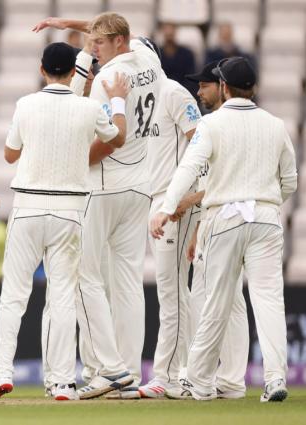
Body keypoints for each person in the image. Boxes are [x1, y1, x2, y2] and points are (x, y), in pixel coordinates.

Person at [0, 42, 128, 401]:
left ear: (42, 70)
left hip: (29, 207)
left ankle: (1, 371)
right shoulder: (89, 107)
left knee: (14, 295)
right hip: (69, 212)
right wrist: (118, 100)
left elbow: (10, 154)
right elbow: (118, 139)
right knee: (61, 296)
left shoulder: (26, 104)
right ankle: (62, 382)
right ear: (79, 75)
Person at [150, 57, 297, 403]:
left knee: (215, 301)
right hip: (264, 217)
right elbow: (289, 180)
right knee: (269, 301)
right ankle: (275, 379)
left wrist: (165, 208)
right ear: (254, 88)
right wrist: (269, 202)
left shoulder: (212, 124)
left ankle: (199, 381)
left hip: (225, 218)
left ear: (226, 88)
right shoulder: (275, 125)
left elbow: (189, 167)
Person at [34, 13, 164, 399]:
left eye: (100, 43)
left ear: (120, 42)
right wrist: (66, 20)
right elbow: (108, 24)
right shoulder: (149, 59)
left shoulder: (107, 80)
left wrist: (72, 162)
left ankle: (109, 369)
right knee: (127, 283)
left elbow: (109, 141)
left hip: (104, 186)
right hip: (140, 186)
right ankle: (126, 369)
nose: (93, 48)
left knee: (82, 276)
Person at [173, 60, 250, 400]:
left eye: (203, 85)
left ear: (221, 87)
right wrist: (196, 231)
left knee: (225, 301)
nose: (198, 91)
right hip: (211, 224)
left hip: (231, 220)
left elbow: (229, 182)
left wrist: (185, 201)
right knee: (211, 300)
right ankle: (221, 378)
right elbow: (210, 179)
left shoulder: (228, 126)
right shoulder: (212, 124)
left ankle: (221, 378)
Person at [137, 76, 201, 398]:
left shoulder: (173, 92)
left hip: (173, 202)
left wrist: (184, 199)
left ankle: (166, 376)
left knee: (171, 292)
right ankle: (186, 374)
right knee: (178, 292)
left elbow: (202, 146)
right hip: (157, 200)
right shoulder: (143, 99)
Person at [159, 23, 196, 96]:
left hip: (182, 92)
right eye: (167, 34)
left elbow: (191, 77)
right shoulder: (156, 54)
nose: (169, 36)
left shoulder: (187, 54)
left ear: (175, 33)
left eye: (171, 34)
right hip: (161, 94)